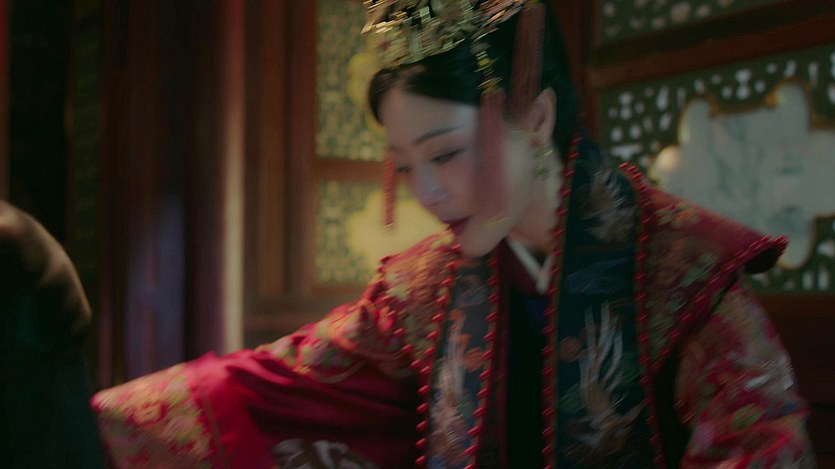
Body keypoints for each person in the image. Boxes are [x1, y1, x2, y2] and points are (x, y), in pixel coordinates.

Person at [0, 0, 815, 467]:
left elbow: (762, 445)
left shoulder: (684, 273)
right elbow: (268, 385)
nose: (427, 191)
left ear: (536, 118)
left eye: (447, 153)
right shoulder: (428, 290)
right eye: (404, 164)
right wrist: (61, 409)